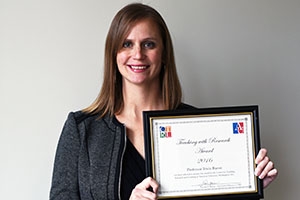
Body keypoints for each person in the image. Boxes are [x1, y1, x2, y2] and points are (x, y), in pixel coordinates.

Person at [50, 3, 278, 200]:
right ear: (113, 54)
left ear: (164, 53)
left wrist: (249, 185)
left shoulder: (201, 126)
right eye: (127, 44)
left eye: (149, 44)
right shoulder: (81, 130)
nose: (137, 54)